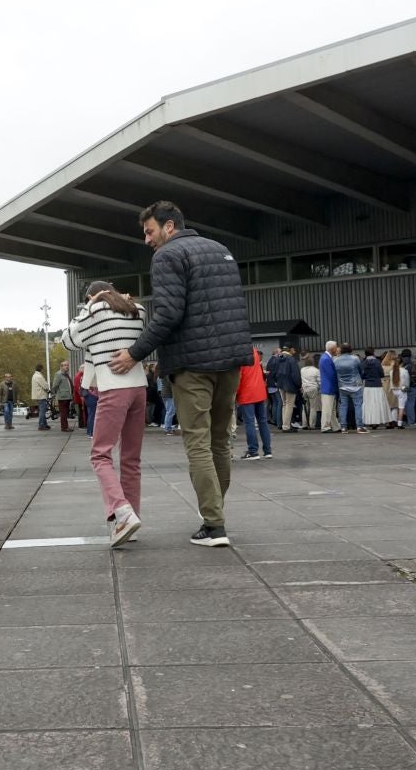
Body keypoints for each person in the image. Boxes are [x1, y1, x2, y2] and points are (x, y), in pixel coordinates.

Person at [107, 200, 253, 548]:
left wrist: (134, 353)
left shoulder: (168, 256)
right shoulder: (221, 251)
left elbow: (169, 314)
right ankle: (214, 516)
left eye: (149, 231)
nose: (147, 240)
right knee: (220, 441)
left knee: (198, 443)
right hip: (231, 360)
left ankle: (214, 525)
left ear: (169, 227)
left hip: (193, 365)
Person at [65, 279, 150, 545]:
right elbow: (94, 347)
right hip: (139, 388)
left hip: (114, 388)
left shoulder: (96, 311)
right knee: (131, 460)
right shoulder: (138, 310)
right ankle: (130, 519)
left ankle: (123, 513)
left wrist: (87, 307)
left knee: (100, 455)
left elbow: (69, 340)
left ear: (93, 296)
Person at [237, 346, 272, 460]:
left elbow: (239, 377)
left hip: (246, 392)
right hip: (259, 390)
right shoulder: (254, 351)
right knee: (263, 421)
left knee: (249, 422)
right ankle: (267, 451)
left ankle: (253, 451)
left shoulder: (238, 354)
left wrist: (235, 393)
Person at [267, 344, 302, 431]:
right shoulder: (291, 359)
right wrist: (299, 384)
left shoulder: (277, 358)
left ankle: (284, 424)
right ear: (291, 349)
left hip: (280, 385)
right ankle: (286, 426)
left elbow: (273, 372)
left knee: (284, 404)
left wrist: (277, 381)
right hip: (290, 385)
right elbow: (295, 374)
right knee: (289, 405)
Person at [331, 342, 362, 434]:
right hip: (355, 385)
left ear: (341, 350)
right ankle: (359, 427)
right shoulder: (355, 359)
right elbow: (360, 370)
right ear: (350, 349)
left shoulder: (335, 360)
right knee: (358, 405)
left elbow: (334, 373)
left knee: (343, 406)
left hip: (342, 386)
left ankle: (343, 427)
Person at [359, 348, 386, 432]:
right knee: (377, 403)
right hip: (377, 385)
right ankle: (376, 421)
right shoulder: (377, 362)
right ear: (373, 353)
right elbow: (382, 374)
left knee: (368, 404)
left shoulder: (363, 362)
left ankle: (369, 421)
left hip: (368, 385)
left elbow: (361, 375)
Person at [300, 353, 324, 432]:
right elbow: (320, 381)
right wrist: (320, 388)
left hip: (304, 389)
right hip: (313, 389)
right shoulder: (316, 370)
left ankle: (304, 424)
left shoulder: (302, 370)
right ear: (313, 362)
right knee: (313, 407)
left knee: (305, 407)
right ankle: (312, 424)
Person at [52, 359, 75, 431]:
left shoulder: (66, 374)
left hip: (67, 396)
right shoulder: (58, 374)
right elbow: (55, 385)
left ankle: (66, 426)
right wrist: (57, 393)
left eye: (67, 365)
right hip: (62, 397)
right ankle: (64, 427)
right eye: (65, 365)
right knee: (63, 413)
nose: (67, 367)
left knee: (66, 412)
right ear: (61, 367)